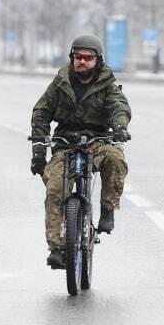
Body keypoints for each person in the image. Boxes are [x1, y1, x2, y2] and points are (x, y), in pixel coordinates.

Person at [31, 34, 131, 269]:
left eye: (88, 58)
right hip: (66, 142)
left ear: (98, 60)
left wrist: (119, 128)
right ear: (72, 58)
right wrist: (38, 153)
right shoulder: (60, 82)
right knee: (55, 189)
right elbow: (41, 112)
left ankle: (108, 209)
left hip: (98, 141)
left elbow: (120, 107)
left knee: (116, 159)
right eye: (78, 57)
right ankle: (56, 248)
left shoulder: (107, 84)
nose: (82, 62)